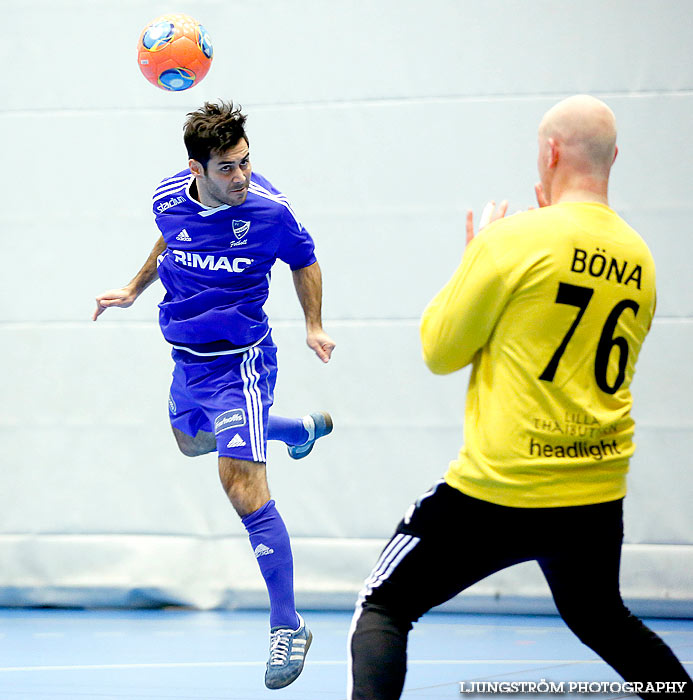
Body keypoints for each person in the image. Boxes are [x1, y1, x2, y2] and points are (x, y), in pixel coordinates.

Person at [348, 95, 692, 699]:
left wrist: (474, 261)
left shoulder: (511, 240)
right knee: (600, 617)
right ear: (615, 158)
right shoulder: (640, 257)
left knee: (384, 606)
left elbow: (440, 350)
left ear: (550, 153)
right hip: (594, 488)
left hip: (500, 487)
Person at [93, 100, 335, 690]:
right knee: (190, 441)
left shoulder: (270, 212)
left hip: (243, 361)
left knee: (239, 482)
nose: (241, 176)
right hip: (187, 359)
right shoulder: (169, 197)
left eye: (245, 162)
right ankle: (296, 429)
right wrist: (132, 287)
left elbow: (305, 261)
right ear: (197, 169)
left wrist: (313, 325)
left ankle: (288, 625)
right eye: (227, 168)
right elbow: (169, 242)